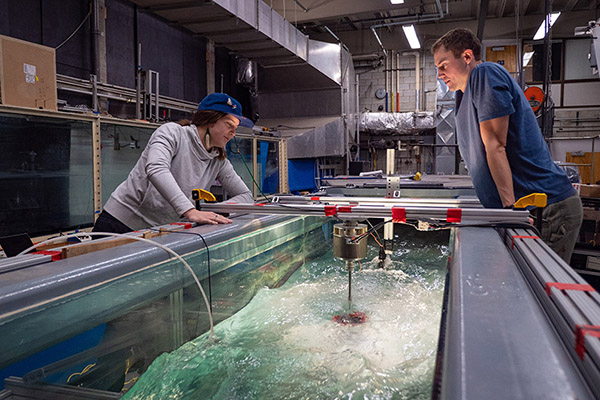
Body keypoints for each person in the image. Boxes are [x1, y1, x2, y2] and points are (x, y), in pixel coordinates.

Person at [431, 28, 583, 262]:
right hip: (525, 209)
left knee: (537, 292)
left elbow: (496, 144)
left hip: (546, 208)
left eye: (443, 65)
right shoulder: (463, 94)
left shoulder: (484, 74)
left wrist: (509, 212)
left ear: (467, 57)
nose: (440, 74)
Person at [94, 93, 254, 234]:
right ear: (210, 120)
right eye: (229, 125)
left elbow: (246, 196)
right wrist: (190, 211)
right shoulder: (172, 133)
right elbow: (156, 169)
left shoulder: (218, 159)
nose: (233, 133)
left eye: (235, 128)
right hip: (120, 223)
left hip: (162, 230)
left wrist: (216, 211)